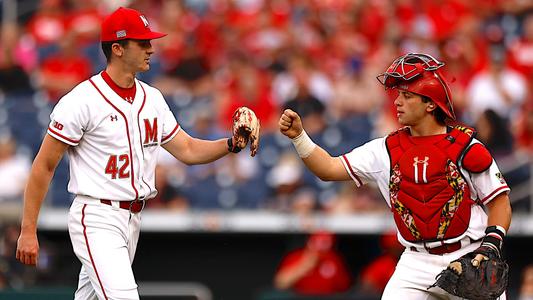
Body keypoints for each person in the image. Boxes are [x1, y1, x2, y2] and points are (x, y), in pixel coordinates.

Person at [15, 7, 259, 300]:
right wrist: (28, 230)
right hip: (97, 216)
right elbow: (44, 166)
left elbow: (188, 148)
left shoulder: (152, 98)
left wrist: (231, 144)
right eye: (141, 43)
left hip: (132, 219)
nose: (150, 49)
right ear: (117, 48)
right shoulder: (82, 100)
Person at [279, 52, 512, 299]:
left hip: (468, 254)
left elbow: (499, 201)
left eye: (407, 96)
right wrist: (299, 137)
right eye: (398, 94)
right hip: (416, 260)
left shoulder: (465, 147)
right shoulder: (385, 149)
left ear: (431, 103)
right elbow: (328, 169)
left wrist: (491, 245)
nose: (398, 102)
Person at [273, 231, 352, 296]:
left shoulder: (334, 259)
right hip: (300, 297)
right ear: (309, 241)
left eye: (325, 242)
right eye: (317, 242)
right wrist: (304, 266)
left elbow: (344, 287)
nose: (320, 246)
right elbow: (280, 283)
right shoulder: (296, 256)